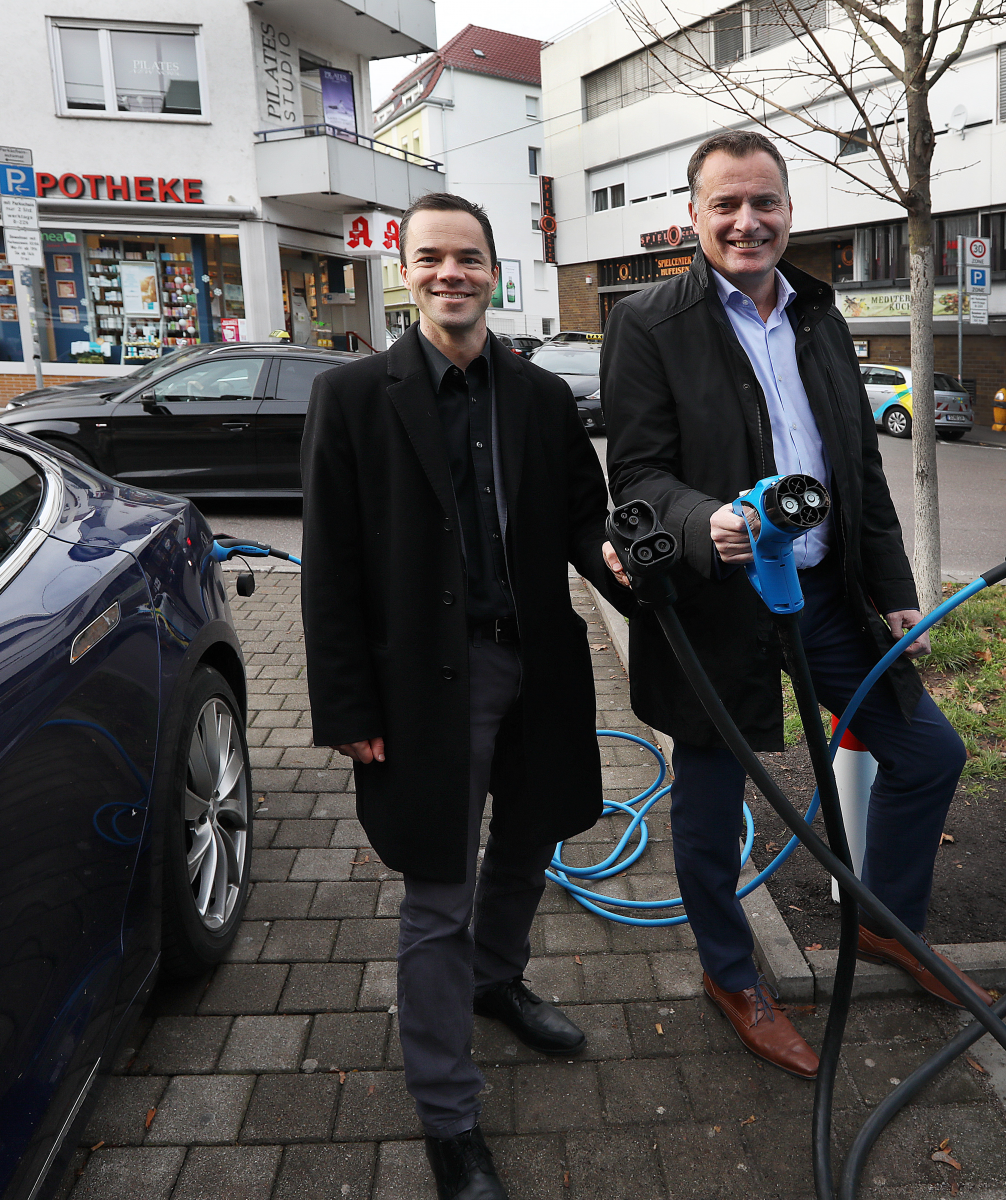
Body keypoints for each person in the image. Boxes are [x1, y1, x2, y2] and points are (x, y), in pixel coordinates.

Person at [600, 131, 985, 1081]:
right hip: (714, 603)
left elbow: (857, 462)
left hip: (824, 597)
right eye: (725, 204)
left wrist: (893, 590)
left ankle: (886, 923)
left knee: (929, 751)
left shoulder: (819, 315)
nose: (746, 221)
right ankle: (732, 976)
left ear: (788, 211)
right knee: (710, 801)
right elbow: (638, 474)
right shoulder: (649, 321)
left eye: (763, 202)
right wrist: (703, 525)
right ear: (692, 216)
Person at [301, 192, 631, 1200]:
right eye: (433, 257)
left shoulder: (532, 396)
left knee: (529, 843)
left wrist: (618, 560)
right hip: (421, 688)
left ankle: (497, 981)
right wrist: (348, 709)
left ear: (495, 270)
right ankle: (448, 1116)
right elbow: (331, 565)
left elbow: (583, 517)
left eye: (470, 258)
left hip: (534, 666)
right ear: (406, 271)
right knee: (435, 891)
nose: (452, 273)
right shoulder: (355, 396)